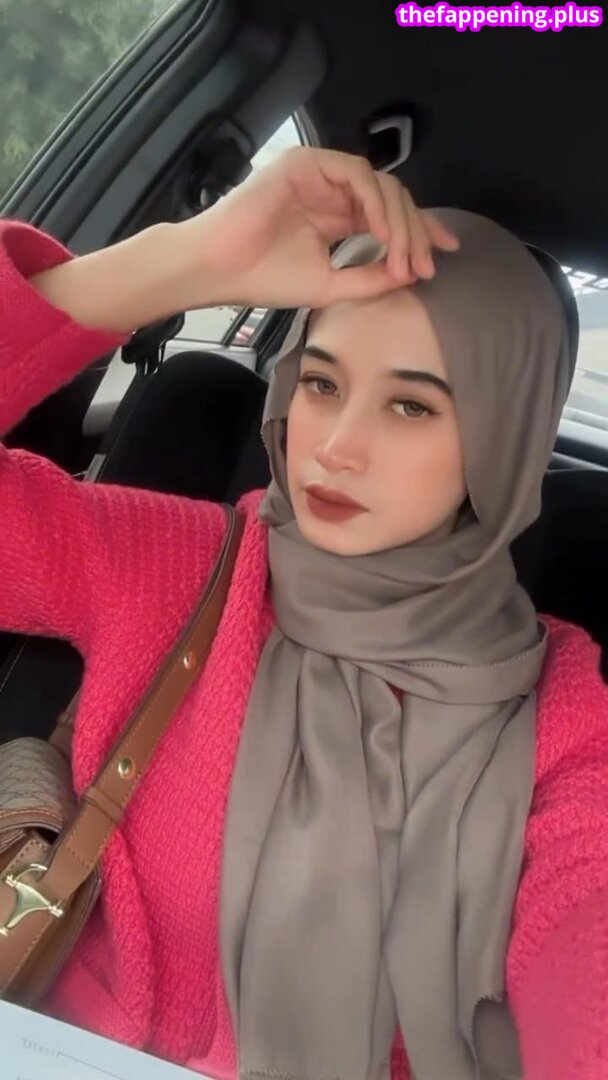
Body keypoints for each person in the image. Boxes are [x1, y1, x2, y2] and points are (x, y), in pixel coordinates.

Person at [0, 147, 607, 1080]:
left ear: (503, 439)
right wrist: (186, 260)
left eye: (412, 407)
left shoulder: (557, 710)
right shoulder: (176, 566)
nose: (335, 448)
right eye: (321, 384)